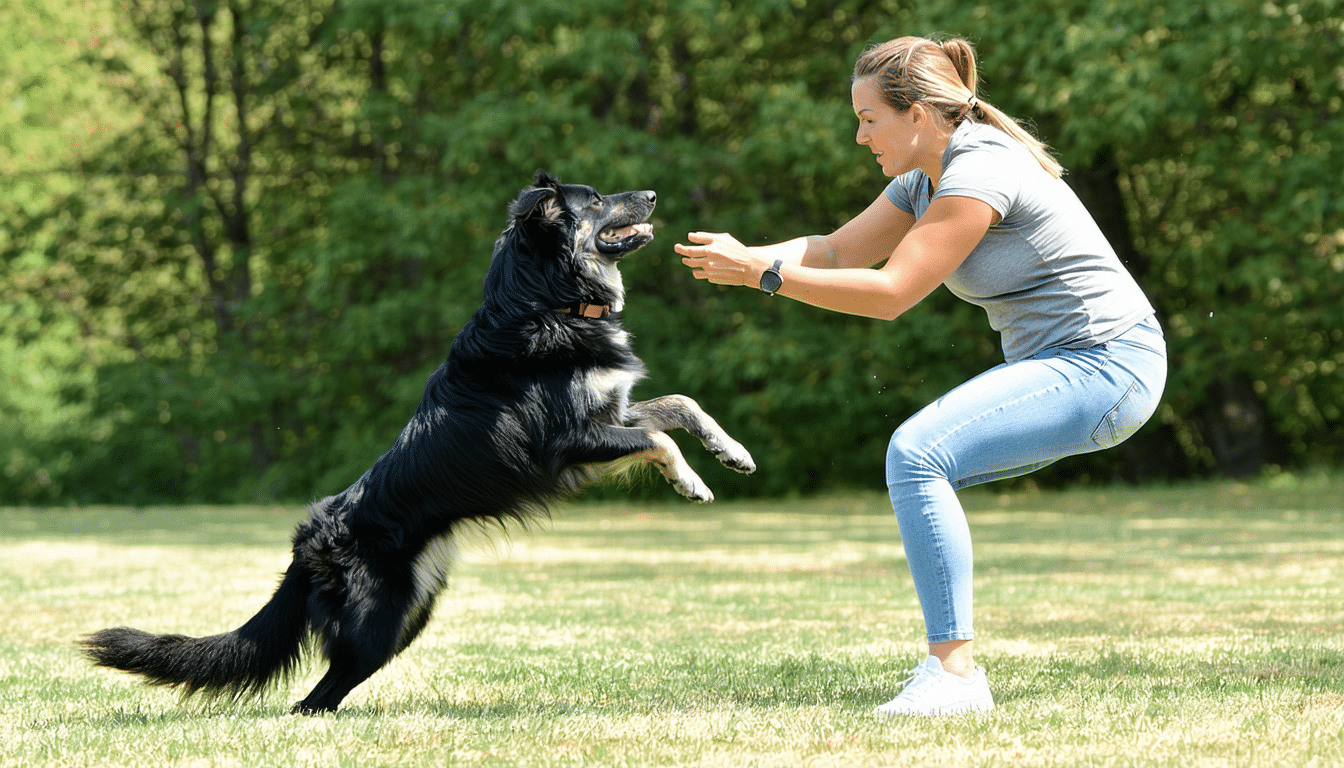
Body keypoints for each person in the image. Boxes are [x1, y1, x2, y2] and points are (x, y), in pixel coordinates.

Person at [674, 35, 1167, 717]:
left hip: (1109, 365)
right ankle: (951, 669)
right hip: (1073, 367)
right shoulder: (922, 179)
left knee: (918, 451)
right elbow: (837, 249)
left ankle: (955, 676)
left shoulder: (982, 167)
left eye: (870, 118)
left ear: (919, 115)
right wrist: (741, 256)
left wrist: (764, 275)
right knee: (922, 460)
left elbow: (892, 292)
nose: (858, 135)